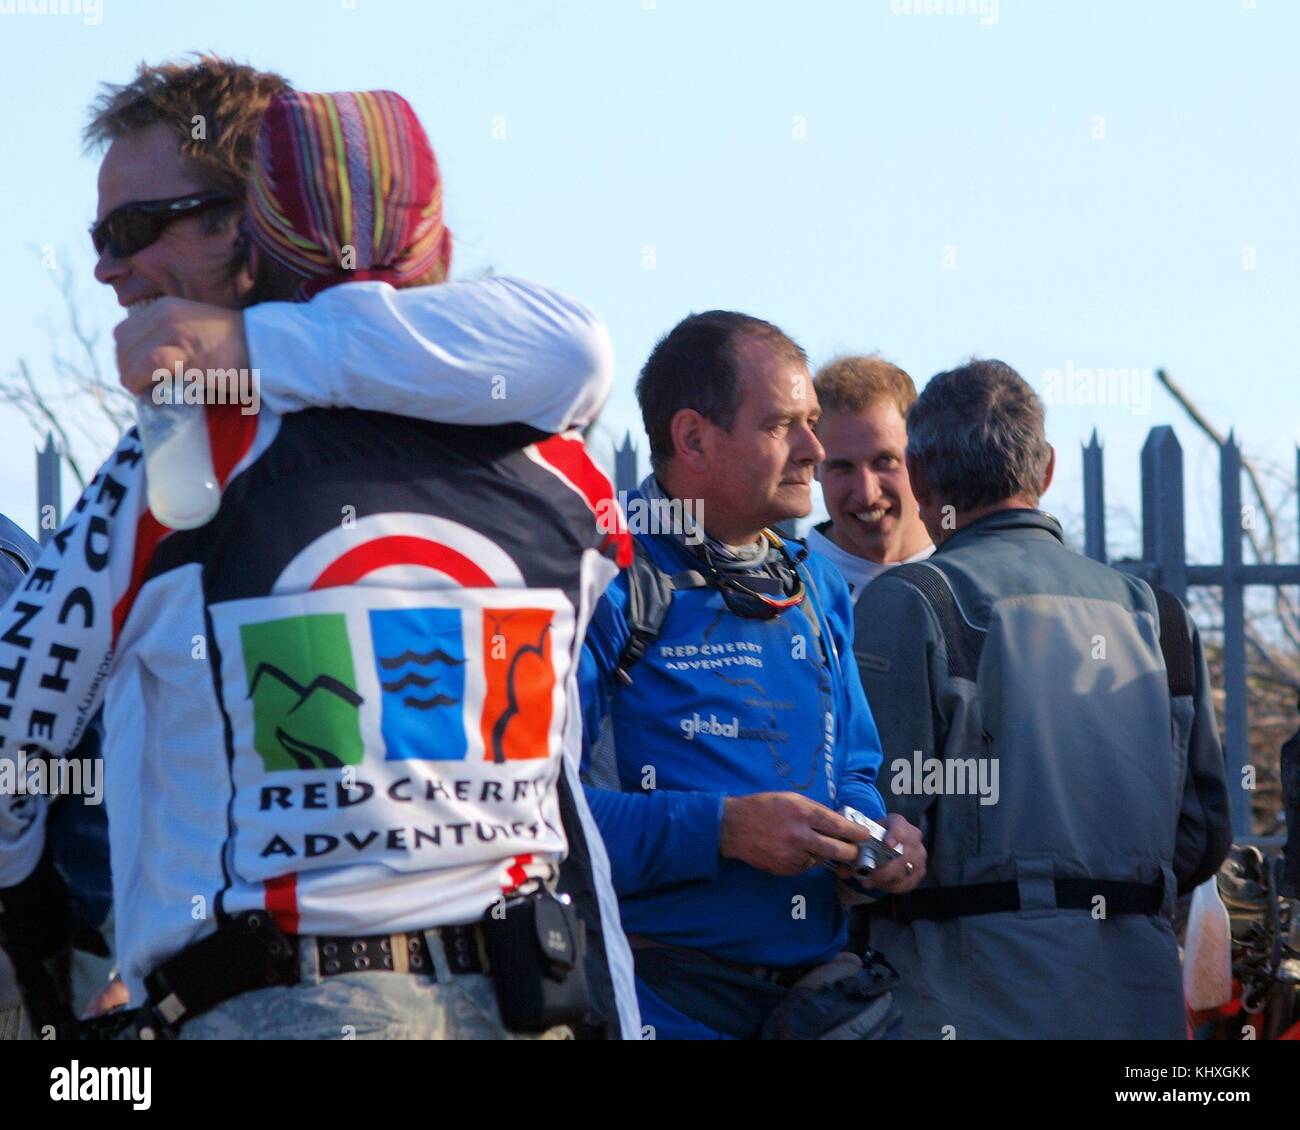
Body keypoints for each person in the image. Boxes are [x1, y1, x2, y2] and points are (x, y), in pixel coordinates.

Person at [0, 68, 638, 1039]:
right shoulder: (552, 455)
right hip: (527, 996)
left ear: (245, 228)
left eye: (131, 231)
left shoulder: (180, 456)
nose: (106, 268)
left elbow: (13, 719)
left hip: (287, 1007)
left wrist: (37, 919)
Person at [853, 358, 1232, 1039]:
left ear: (916, 477)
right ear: (1048, 469)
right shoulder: (1159, 618)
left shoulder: (911, 602)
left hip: (967, 998)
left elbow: (877, 823)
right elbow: (1201, 838)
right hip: (1138, 1001)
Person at [578, 310, 926, 1040]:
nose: (813, 448)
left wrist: (871, 840)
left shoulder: (814, 585)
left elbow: (854, 769)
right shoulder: (601, 580)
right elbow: (546, 817)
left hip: (822, 1000)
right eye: (782, 426)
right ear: (694, 438)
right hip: (663, 998)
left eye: (811, 422)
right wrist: (723, 830)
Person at [807, 355, 933, 602]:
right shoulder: (783, 592)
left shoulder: (972, 577)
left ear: (922, 457)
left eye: (884, 462)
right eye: (843, 467)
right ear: (813, 467)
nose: (867, 494)